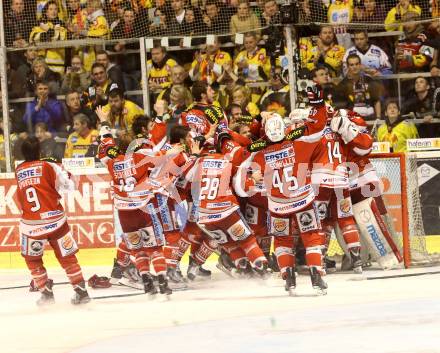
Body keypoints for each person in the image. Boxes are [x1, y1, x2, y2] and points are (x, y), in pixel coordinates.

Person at [15, 136, 90, 305]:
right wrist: (61, 167)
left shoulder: (18, 170)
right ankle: (81, 292)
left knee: (32, 259)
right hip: (55, 221)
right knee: (67, 257)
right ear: (40, 151)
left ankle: (46, 293)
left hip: (31, 225)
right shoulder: (49, 165)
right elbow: (72, 185)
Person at [335, 54, 383, 120]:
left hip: (370, 119)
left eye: (356, 64)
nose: (354, 67)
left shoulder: (369, 80)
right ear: (348, 67)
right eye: (351, 65)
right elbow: (341, 106)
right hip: (353, 121)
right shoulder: (343, 85)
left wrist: (378, 118)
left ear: (360, 65)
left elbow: (376, 100)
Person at [29, 1, 68, 75]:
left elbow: (60, 38)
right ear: (46, 12)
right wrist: (48, 34)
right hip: (42, 65)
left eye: (55, 9)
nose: (53, 11)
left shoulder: (62, 26)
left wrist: (47, 31)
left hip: (58, 64)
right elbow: (32, 38)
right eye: (51, 9)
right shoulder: (39, 24)